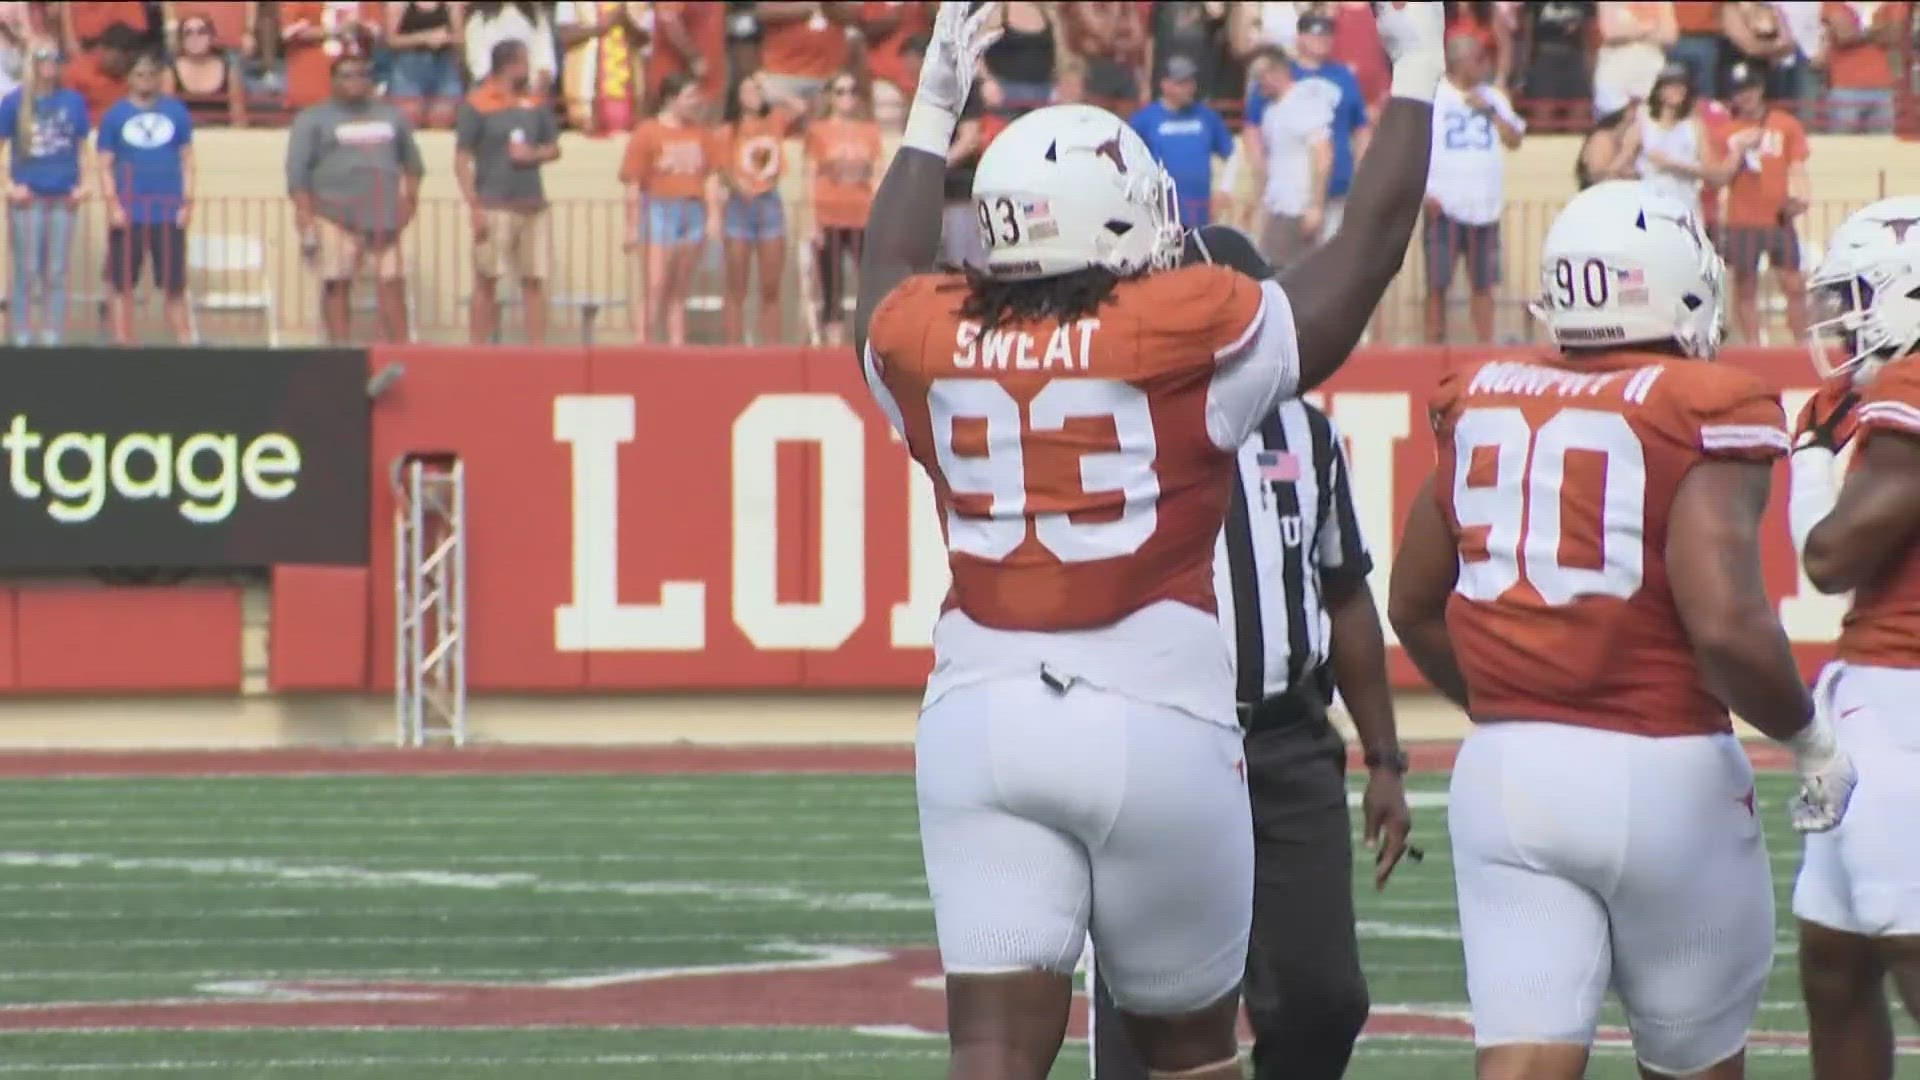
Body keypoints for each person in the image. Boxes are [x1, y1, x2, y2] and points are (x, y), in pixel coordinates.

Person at [853, 2, 1444, 1077]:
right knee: (1188, 1052)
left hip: (980, 715)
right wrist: (1416, 75)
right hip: (1154, 714)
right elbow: (1363, 257)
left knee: (990, 1049)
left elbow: (880, 279)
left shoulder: (922, 331)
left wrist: (932, 112)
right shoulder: (1188, 324)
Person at [1387, 180, 1857, 1080]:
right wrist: (1808, 740)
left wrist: (1515, 704)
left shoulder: (1483, 393)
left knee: (1522, 1061)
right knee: (1694, 1064)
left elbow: (1411, 602)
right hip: (1662, 766)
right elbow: (1723, 622)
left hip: (1510, 776)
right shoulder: (1705, 399)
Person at [1088, 224, 1412, 1080]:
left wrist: (1384, 756)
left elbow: (1344, 591)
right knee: (1147, 1012)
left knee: (1324, 996)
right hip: (1160, 735)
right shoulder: (1119, 421)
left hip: (1284, 738)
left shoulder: (1306, 431)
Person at [1785, 194, 1920, 1080]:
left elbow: (1830, 557)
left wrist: (1807, 455)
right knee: (1834, 962)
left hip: (1907, 697)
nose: (1841, 321)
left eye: (1859, 294)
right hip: (1877, 690)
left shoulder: (1911, 385)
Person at [285, 30, 424, 344]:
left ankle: (402, 351)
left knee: (392, 283)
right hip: (333, 216)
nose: (357, 81)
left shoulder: (393, 116)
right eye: (348, 75)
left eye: (363, 74)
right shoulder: (312, 119)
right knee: (337, 283)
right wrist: (306, 217)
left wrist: (409, 202)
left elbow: (413, 165)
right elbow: (297, 175)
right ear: (333, 81)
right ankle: (340, 350)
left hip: (387, 222)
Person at [456, 38, 560, 345]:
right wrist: (474, 208)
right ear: (511, 65)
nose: (530, 69)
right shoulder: (477, 104)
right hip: (493, 203)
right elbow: (462, 159)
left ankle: (537, 350)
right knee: (486, 280)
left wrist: (534, 154)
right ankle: (477, 351)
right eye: (526, 62)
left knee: (535, 279)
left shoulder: (536, 103)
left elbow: (554, 148)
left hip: (532, 205)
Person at [1422, 34, 1523, 344]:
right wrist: (1423, 193)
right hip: (1444, 206)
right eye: (1478, 59)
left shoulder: (1494, 96)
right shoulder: (1434, 97)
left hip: (1485, 207)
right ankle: (1433, 343)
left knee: (1484, 284)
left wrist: (1491, 112)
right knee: (1438, 283)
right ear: (1458, 62)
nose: (1485, 65)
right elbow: (1414, 147)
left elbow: (1515, 139)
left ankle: (1483, 344)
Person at [97, 50, 194, 344]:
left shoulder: (176, 112)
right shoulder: (115, 115)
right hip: (130, 213)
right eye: (140, 74)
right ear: (129, 78)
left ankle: (185, 343)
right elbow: (103, 166)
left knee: (174, 285)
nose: (146, 80)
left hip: (168, 212)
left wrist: (187, 204)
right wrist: (113, 207)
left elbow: (188, 161)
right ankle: (123, 342)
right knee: (120, 283)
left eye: (152, 74)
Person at [619, 72, 721, 345]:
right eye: (690, 97)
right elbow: (633, 183)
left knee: (679, 288)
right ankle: (644, 343)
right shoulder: (648, 132)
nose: (696, 102)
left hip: (693, 209)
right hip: (660, 209)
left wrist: (713, 217)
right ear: (671, 99)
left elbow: (711, 177)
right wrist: (631, 227)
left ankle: (677, 346)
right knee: (655, 284)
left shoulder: (702, 133)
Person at [1714, 61, 1810, 345]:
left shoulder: (1785, 124)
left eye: (1751, 88)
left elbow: (1797, 164)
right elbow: (1719, 176)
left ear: (1761, 89)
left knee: (1793, 284)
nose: (1746, 96)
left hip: (1779, 215)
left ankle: (1801, 344)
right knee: (1745, 287)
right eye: (1739, 91)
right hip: (1741, 217)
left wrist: (1802, 195)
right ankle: (1754, 346)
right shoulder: (1725, 131)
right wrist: (1739, 149)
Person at [0, 45, 89, 346]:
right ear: (32, 63)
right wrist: (9, 185)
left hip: (63, 196)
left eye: (54, 59)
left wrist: (83, 184)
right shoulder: (14, 102)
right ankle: (22, 336)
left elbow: (82, 148)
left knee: (57, 270)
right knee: (26, 269)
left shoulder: (73, 101)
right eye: (43, 59)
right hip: (27, 198)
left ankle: (53, 337)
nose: (49, 65)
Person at [719, 70, 805, 345]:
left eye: (757, 92)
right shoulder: (728, 130)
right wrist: (737, 186)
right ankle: (734, 345)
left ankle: (771, 345)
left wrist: (769, 87)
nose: (754, 96)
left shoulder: (773, 122)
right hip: (739, 206)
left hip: (769, 203)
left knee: (770, 286)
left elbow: (800, 108)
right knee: (736, 286)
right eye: (748, 90)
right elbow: (722, 168)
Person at [802, 72, 882, 346]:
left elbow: (877, 173)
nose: (846, 97)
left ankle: (871, 338)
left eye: (851, 91)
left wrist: (880, 214)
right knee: (832, 283)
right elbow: (810, 175)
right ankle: (833, 339)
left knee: (870, 281)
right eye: (840, 91)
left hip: (862, 214)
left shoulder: (869, 130)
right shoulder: (819, 130)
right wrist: (811, 220)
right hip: (829, 214)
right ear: (831, 97)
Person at [1242, 45, 1336, 271]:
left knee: (1289, 279)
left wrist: (1315, 207)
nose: (1256, 83)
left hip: (1297, 208)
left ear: (1278, 72)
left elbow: (1323, 156)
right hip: (1277, 205)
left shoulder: (1304, 102)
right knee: (1269, 272)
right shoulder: (1271, 111)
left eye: (1259, 76)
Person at [1127, 52, 1234, 229]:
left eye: (1190, 82)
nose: (1189, 88)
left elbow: (1231, 152)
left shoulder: (1207, 117)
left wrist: (1225, 189)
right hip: (1159, 214)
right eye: (1181, 82)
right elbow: (1128, 160)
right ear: (1165, 84)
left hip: (1199, 212)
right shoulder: (1144, 119)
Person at [386, 1, 465, 129]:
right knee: (409, 120)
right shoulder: (399, 4)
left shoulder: (451, 4)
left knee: (443, 119)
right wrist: (425, 37)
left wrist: (445, 39)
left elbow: (459, 38)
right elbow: (391, 40)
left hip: (443, 66)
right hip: (409, 68)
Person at [166, 13, 248, 127]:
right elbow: (165, 117)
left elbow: (238, 116)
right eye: (188, 33)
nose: (195, 37)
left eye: (201, 32)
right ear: (181, 40)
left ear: (212, 37)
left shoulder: (229, 70)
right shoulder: (169, 72)